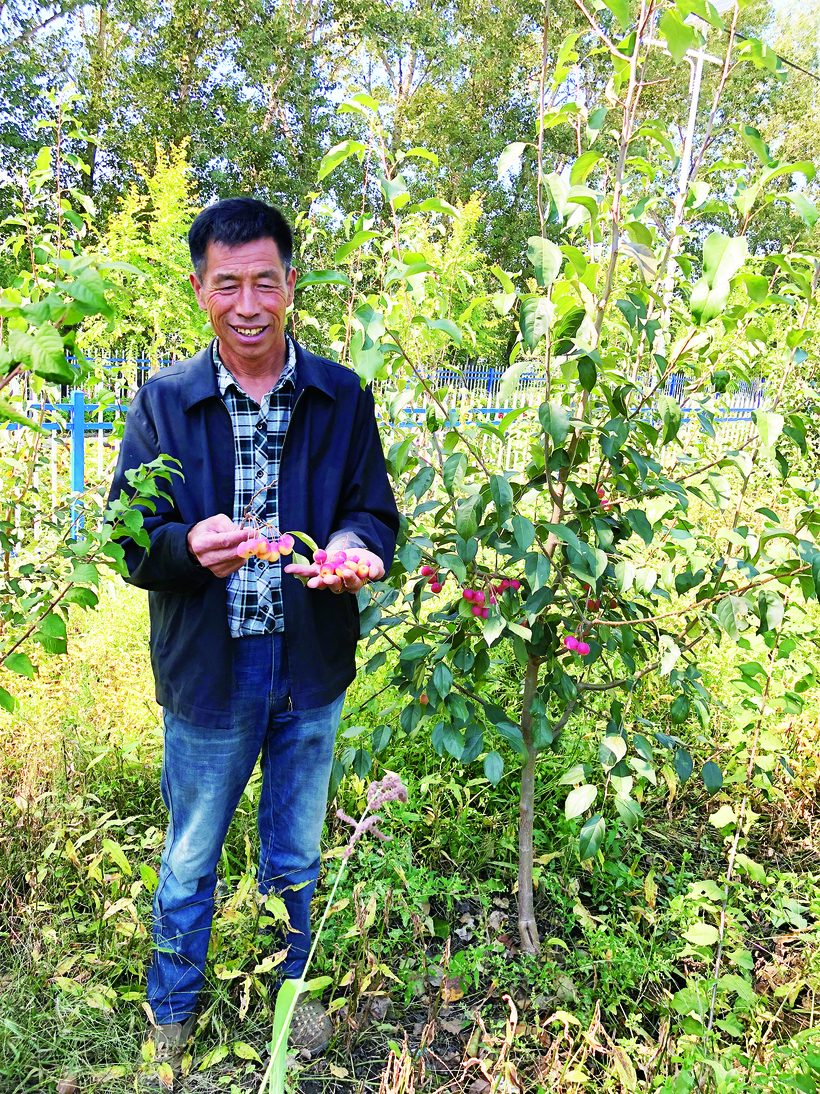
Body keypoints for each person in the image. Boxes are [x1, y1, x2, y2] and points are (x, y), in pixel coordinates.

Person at [108, 197, 399, 1084]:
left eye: (263, 282)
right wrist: (186, 549)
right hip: (211, 669)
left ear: (290, 287)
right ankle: (172, 1011)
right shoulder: (164, 404)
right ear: (200, 291)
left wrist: (355, 551)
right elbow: (129, 537)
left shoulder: (342, 396)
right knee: (192, 854)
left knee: (298, 852)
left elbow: (370, 510)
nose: (247, 303)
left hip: (310, 665)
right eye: (226, 284)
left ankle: (290, 994)